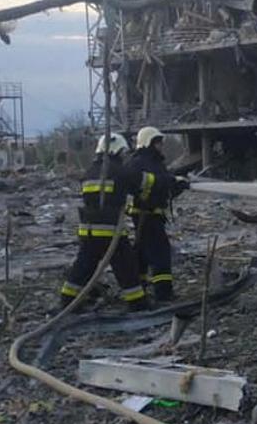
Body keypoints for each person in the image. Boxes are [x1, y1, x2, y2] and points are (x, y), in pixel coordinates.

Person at [59, 133, 147, 311]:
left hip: (88, 229)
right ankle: (138, 304)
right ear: (114, 150)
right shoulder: (119, 170)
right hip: (110, 230)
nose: (123, 156)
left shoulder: (90, 171)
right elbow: (141, 185)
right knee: (126, 267)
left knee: (83, 266)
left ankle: (68, 301)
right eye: (122, 152)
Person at [126, 126, 190, 301]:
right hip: (146, 215)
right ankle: (163, 293)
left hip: (152, 215)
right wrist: (169, 181)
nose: (161, 145)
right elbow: (149, 184)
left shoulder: (154, 162)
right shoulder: (138, 162)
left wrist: (178, 186)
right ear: (148, 142)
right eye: (158, 142)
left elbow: (163, 190)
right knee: (160, 252)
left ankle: (138, 289)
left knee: (142, 253)